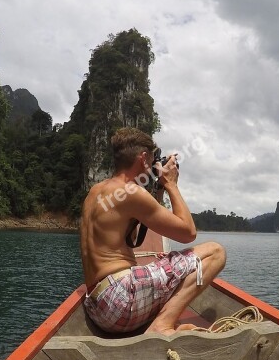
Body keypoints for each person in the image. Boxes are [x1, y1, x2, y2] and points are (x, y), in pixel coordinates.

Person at [80, 127, 226, 335]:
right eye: (152, 159)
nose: (152, 166)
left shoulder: (95, 193)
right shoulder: (131, 193)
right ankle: (162, 324)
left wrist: (158, 188)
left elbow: (133, 234)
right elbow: (188, 233)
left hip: (99, 307)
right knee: (215, 252)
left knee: (160, 264)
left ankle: (156, 319)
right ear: (144, 157)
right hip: (121, 303)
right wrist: (172, 185)